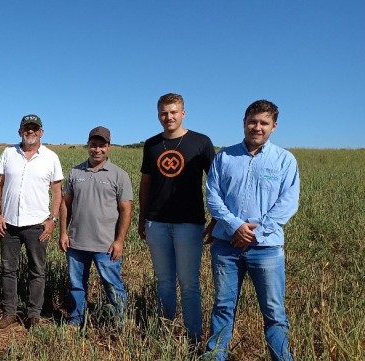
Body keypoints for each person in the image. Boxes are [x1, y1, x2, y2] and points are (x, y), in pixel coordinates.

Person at [204, 100, 299, 361]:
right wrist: (235, 225)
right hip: (226, 245)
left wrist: (255, 232)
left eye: (263, 123)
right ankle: (215, 356)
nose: (257, 127)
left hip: (266, 248)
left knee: (273, 312)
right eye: (252, 121)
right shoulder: (224, 156)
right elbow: (213, 196)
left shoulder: (285, 160)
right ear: (244, 122)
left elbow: (288, 203)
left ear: (274, 126)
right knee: (223, 306)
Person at [138, 93, 216, 341]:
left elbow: (215, 183)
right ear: (158, 114)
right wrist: (142, 219)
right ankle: (165, 330)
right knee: (164, 281)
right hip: (156, 222)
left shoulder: (201, 142)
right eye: (163, 112)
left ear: (183, 113)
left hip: (189, 223)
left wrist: (216, 219)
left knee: (189, 283)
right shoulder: (151, 145)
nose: (168, 117)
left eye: (173, 112)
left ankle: (194, 336)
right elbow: (146, 184)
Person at [0, 114, 63, 329]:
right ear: (20, 131)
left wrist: (52, 219)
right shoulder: (8, 153)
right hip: (9, 224)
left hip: (36, 225)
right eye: (26, 128)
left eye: (34, 128)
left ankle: (33, 314)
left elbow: (57, 190)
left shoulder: (51, 157)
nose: (30, 131)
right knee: (8, 270)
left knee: (37, 270)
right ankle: (10, 312)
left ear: (41, 132)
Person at [59, 126, 132, 327]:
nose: (97, 150)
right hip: (76, 242)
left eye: (101, 146)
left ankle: (119, 323)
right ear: (88, 145)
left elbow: (126, 210)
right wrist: (64, 233)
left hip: (106, 245)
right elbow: (66, 205)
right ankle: (75, 320)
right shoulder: (75, 172)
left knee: (113, 285)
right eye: (93, 145)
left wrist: (119, 241)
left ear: (108, 147)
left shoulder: (119, 175)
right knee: (76, 286)